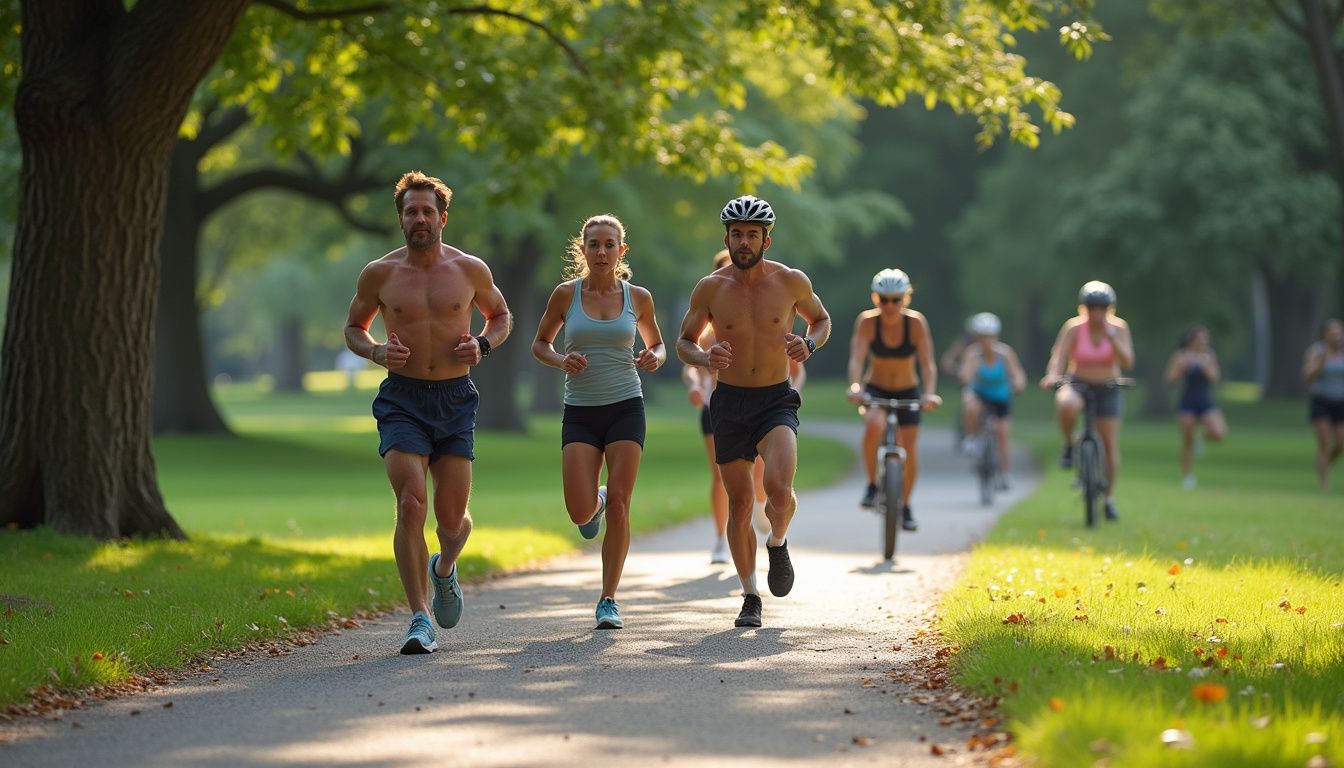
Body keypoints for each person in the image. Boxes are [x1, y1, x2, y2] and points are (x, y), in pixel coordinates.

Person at [344, 171, 512, 655]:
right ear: (400, 219)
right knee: (410, 504)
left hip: (455, 399)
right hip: (402, 399)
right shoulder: (380, 273)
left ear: (442, 217)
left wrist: (482, 343)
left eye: (427, 211)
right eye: (410, 211)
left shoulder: (469, 269)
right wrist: (376, 352)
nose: (420, 218)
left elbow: (500, 316)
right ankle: (419, 618)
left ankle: (444, 568)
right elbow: (354, 328)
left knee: (451, 521)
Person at [676, 195, 831, 628]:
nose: (744, 241)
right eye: (737, 234)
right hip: (729, 403)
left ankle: (777, 542)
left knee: (779, 491)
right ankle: (750, 595)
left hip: (775, 399)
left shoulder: (790, 281)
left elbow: (821, 319)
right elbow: (684, 343)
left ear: (767, 238)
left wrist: (810, 343)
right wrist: (705, 359)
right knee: (741, 503)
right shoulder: (710, 288)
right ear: (726, 236)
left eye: (752, 234)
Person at [532, 214, 666, 629]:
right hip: (581, 411)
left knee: (623, 505)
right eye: (594, 244)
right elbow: (540, 343)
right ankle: (597, 502)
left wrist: (653, 358)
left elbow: (658, 345)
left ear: (621, 251)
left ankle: (609, 598)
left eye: (610, 244)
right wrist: (559, 360)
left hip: (627, 405)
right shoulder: (564, 295)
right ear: (583, 250)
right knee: (579, 511)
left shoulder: (638, 297)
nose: (602, 251)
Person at [845, 269, 941, 531]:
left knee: (909, 446)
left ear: (906, 299)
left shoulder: (916, 323)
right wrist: (855, 387)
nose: (889, 306)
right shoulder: (867, 322)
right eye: (884, 299)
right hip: (876, 389)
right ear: (875, 298)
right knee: (874, 424)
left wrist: (930, 393)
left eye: (896, 300)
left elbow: (928, 364)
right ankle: (872, 485)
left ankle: (906, 505)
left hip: (908, 389)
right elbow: (857, 358)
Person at [1040, 280, 1135, 521]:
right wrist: (1053, 376)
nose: (1096, 313)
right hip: (1078, 381)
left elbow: (1127, 362)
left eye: (1102, 308)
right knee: (1067, 404)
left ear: (1109, 309)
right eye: (1092, 307)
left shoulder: (1119, 328)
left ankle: (1110, 499)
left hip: (1109, 385)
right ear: (1084, 308)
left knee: (1109, 443)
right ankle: (1069, 445)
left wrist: (1111, 338)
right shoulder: (1073, 328)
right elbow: (1059, 355)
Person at [957, 312, 1027, 486]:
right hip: (980, 394)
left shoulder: (1005, 354)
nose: (986, 341)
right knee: (969, 402)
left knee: (1002, 434)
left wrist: (1018, 384)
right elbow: (965, 373)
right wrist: (966, 376)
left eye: (989, 336)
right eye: (982, 337)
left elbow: (1018, 373)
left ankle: (1005, 473)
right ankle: (971, 438)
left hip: (1001, 397)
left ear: (995, 336)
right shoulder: (973, 354)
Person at [1164, 324, 1227, 490]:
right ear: (1192, 339)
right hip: (1187, 401)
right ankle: (1188, 476)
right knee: (1187, 442)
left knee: (1219, 433)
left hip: (1205, 400)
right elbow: (1170, 380)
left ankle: (1202, 436)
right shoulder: (1181, 356)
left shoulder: (1209, 356)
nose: (1205, 341)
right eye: (1202, 338)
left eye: (1206, 338)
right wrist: (1182, 367)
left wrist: (1204, 365)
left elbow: (1215, 378)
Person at [1303, 318, 1344, 491]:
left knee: (1341, 443)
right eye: (1333, 333)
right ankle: (1324, 483)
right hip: (1321, 401)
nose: (1337, 336)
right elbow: (1308, 375)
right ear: (1325, 335)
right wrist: (1322, 360)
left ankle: (1326, 464)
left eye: (1339, 333)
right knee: (1324, 443)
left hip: (1341, 401)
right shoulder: (1316, 351)